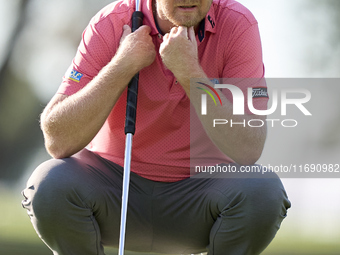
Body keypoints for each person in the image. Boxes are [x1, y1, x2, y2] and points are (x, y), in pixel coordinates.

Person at [22, 0, 291, 254]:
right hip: (113, 191)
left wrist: (190, 73)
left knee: (262, 190)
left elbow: (249, 147)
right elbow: (57, 139)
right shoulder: (111, 23)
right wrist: (121, 65)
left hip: (200, 197)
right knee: (50, 185)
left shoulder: (238, 25)